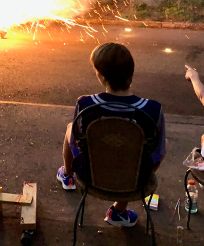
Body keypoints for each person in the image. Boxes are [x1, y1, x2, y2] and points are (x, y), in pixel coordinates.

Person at [57, 43, 166, 228]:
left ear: (100, 76)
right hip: (134, 180)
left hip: (90, 174)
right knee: (158, 146)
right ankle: (119, 211)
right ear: (131, 74)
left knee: (70, 128)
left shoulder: (85, 104)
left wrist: (79, 157)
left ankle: (68, 175)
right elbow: (158, 153)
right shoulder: (153, 109)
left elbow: (75, 141)